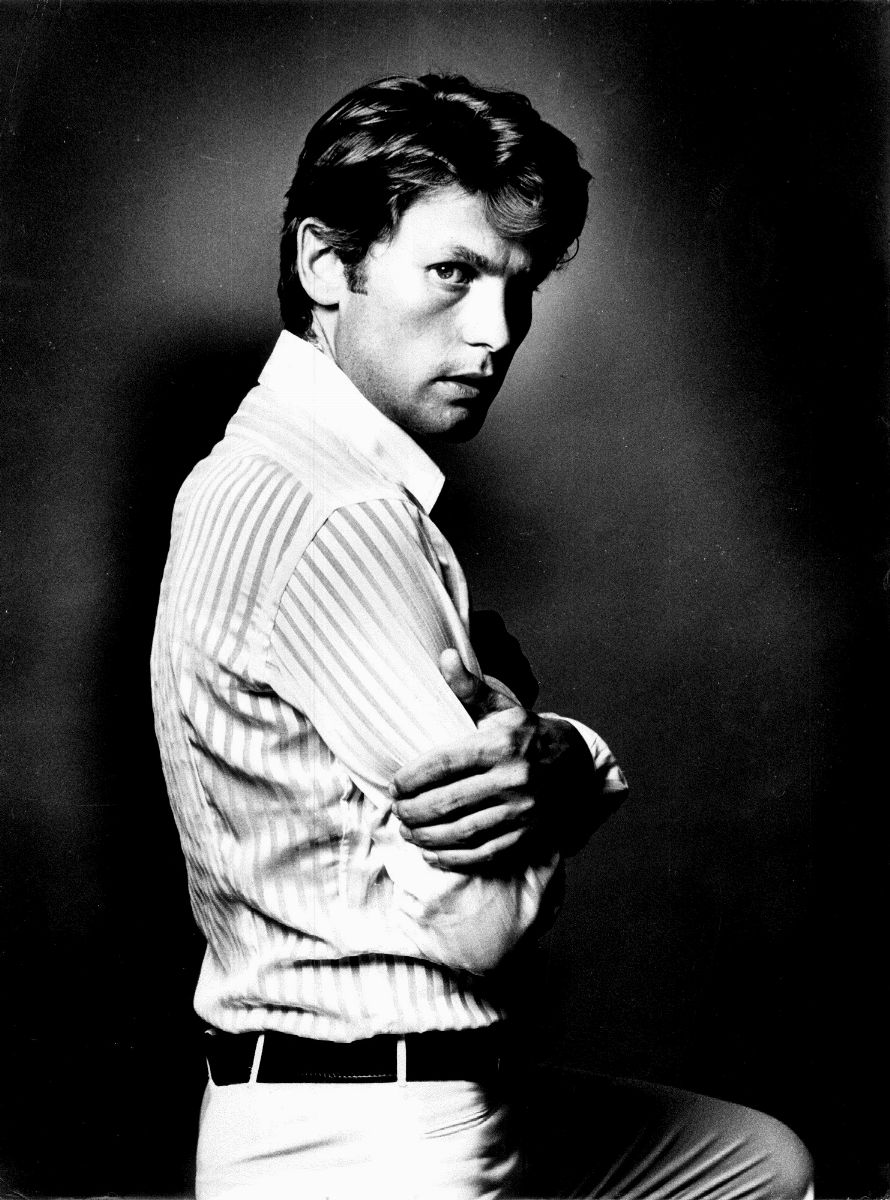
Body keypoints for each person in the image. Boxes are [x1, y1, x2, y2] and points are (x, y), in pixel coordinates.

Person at [151, 74, 813, 1200]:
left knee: (758, 1164)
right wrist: (564, 758)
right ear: (326, 264)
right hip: (378, 1143)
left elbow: (471, 803)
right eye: (453, 274)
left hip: (349, 1104)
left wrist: (540, 746)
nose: (496, 332)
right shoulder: (336, 510)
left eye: (517, 286)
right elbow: (476, 922)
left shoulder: (254, 470)